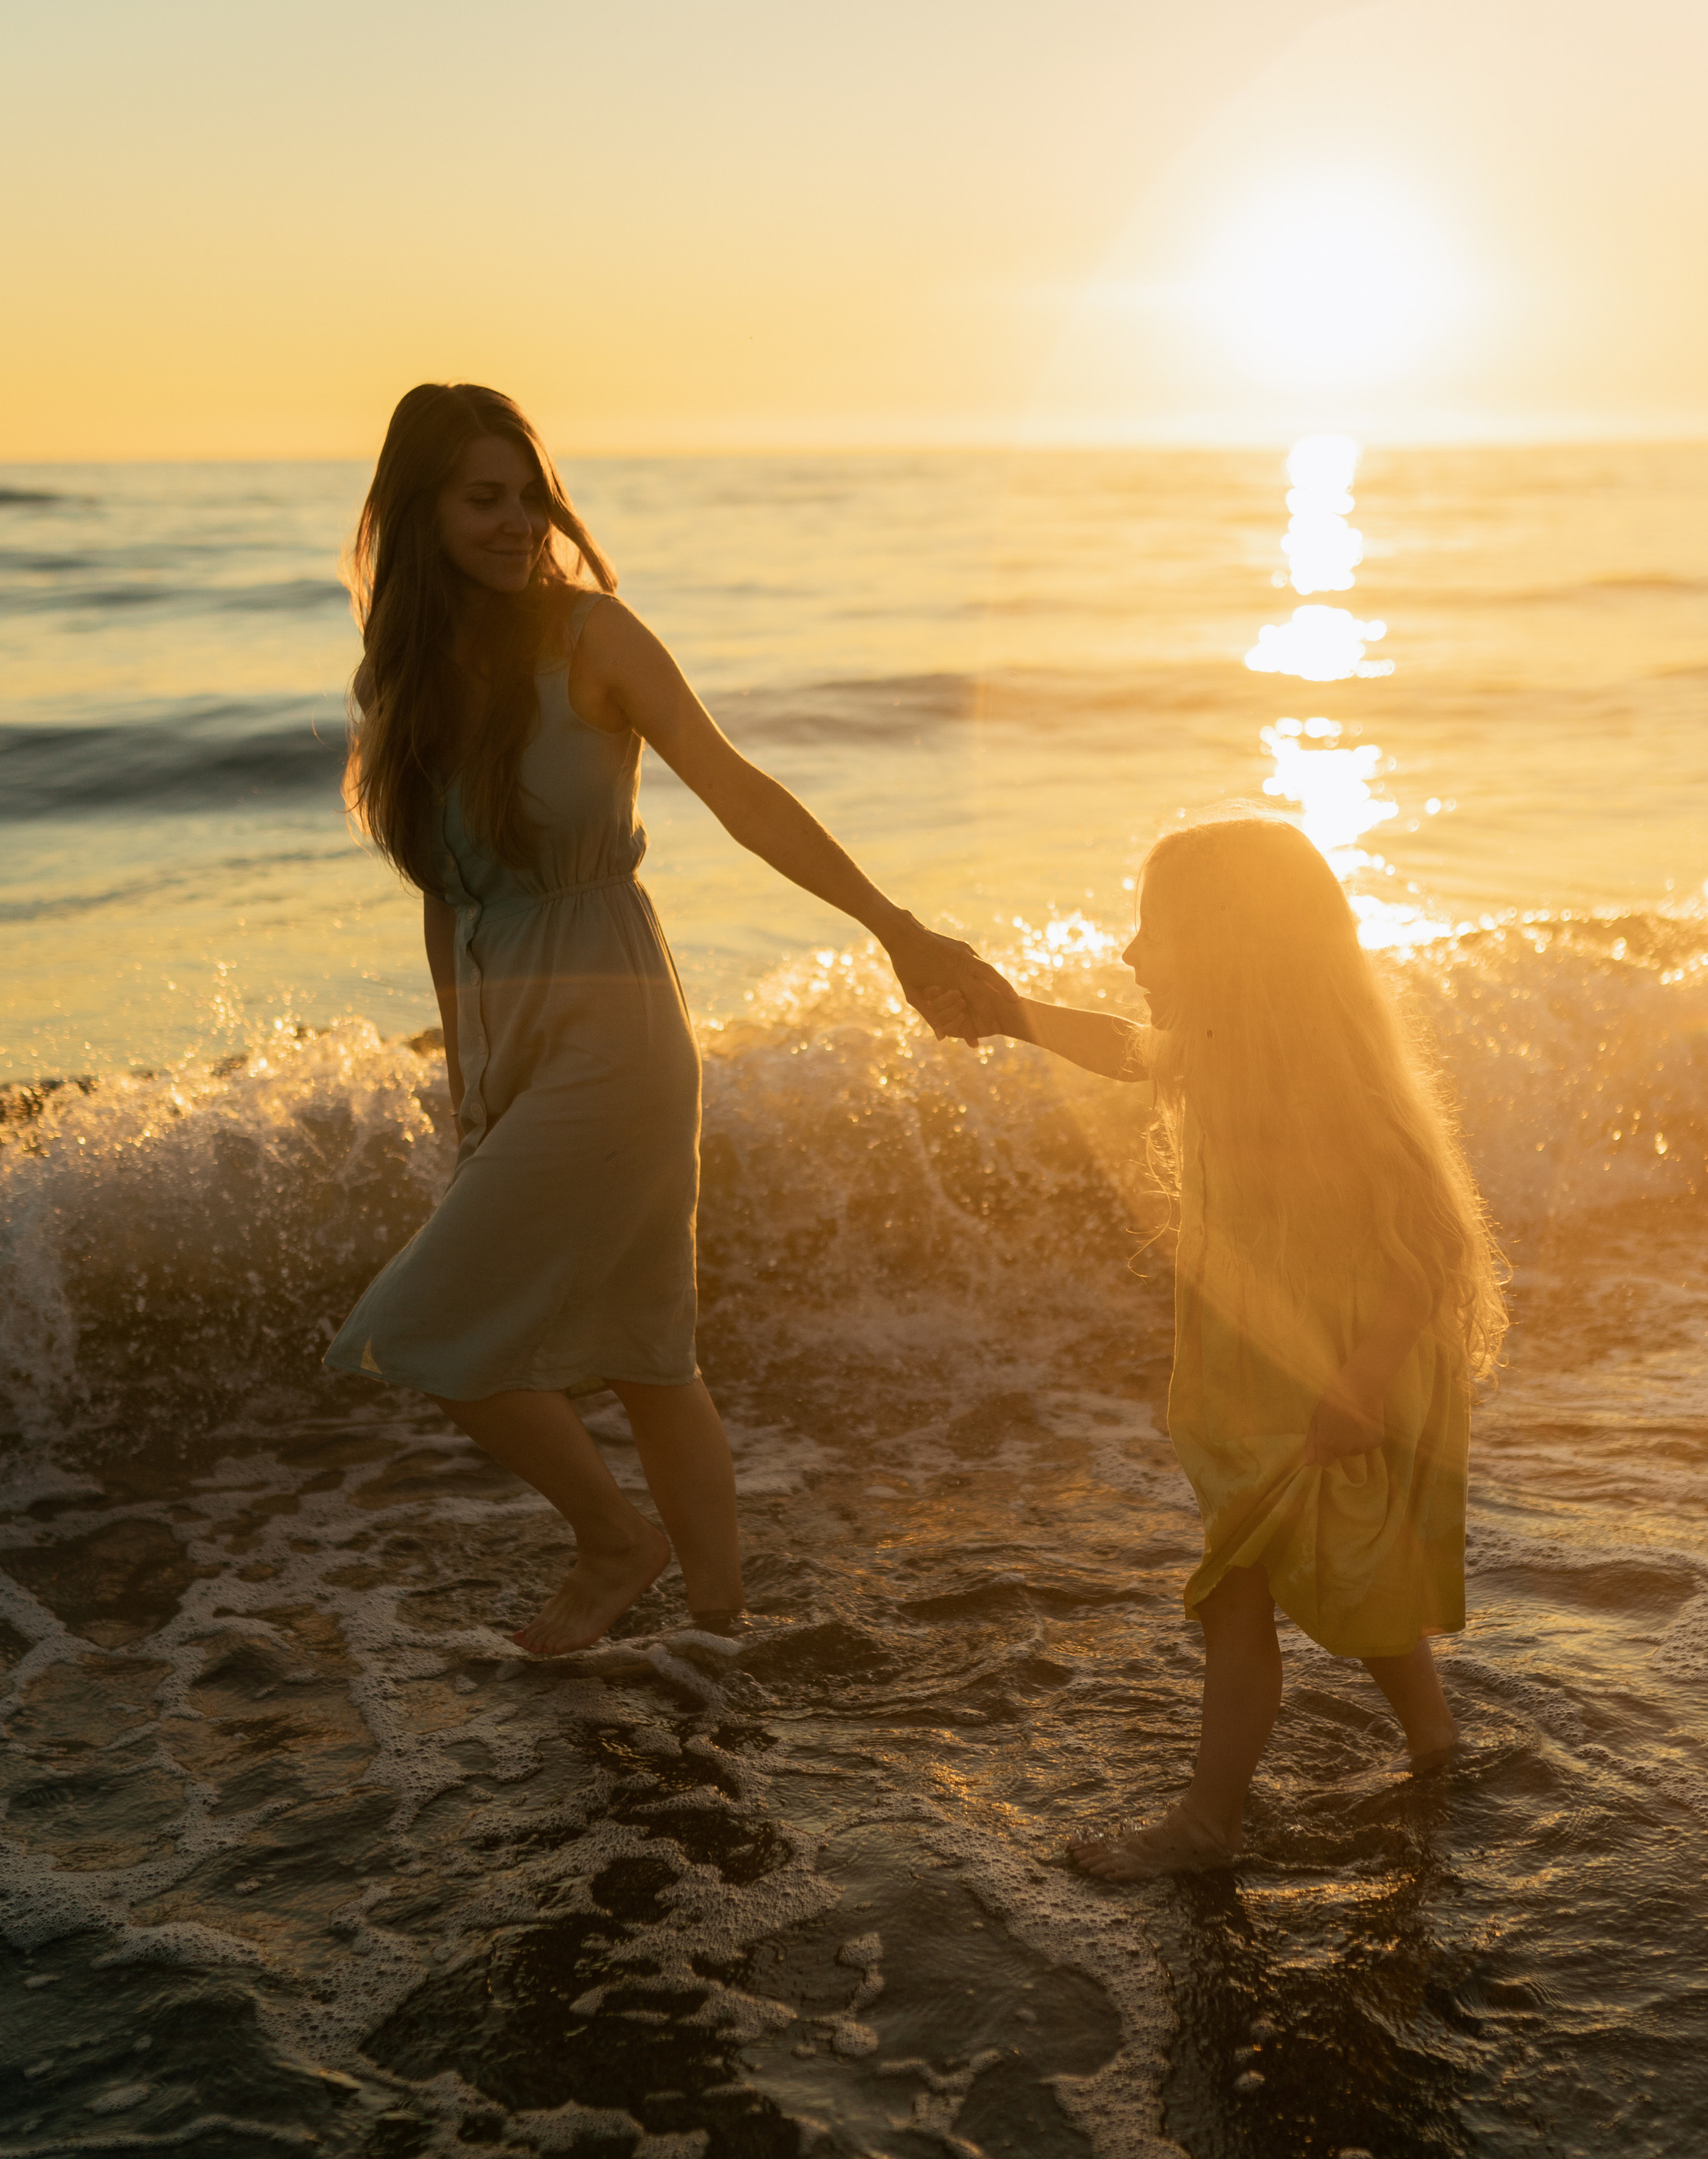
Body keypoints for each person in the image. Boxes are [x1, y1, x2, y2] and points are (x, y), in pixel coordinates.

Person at [325, 382, 979, 1656]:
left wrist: (897, 929)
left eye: (530, 497)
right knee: (648, 1353)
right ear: (419, 513)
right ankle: (721, 1634)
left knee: (416, 1326)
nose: (519, 524)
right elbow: (439, 899)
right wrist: (469, 1080)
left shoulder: (595, 639)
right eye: (484, 500)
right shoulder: (402, 679)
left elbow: (741, 793)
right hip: (515, 1028)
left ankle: (619, 1543)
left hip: (617, 1024)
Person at [922, 811, 1506, 1880]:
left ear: (1234, 946)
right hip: (1266, 1377)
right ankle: (1435, 1744)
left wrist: (1365, 1383)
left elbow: (1428, 1240)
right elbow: (1125, 1050)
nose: (1132, 952)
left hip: (1335, 1371)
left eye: (1156, 931)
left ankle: (1206, 1823)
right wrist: (1009, 1013)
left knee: (1236, 1586)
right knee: (1337, 1574)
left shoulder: (1322, 1076)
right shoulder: (1221, 1049)